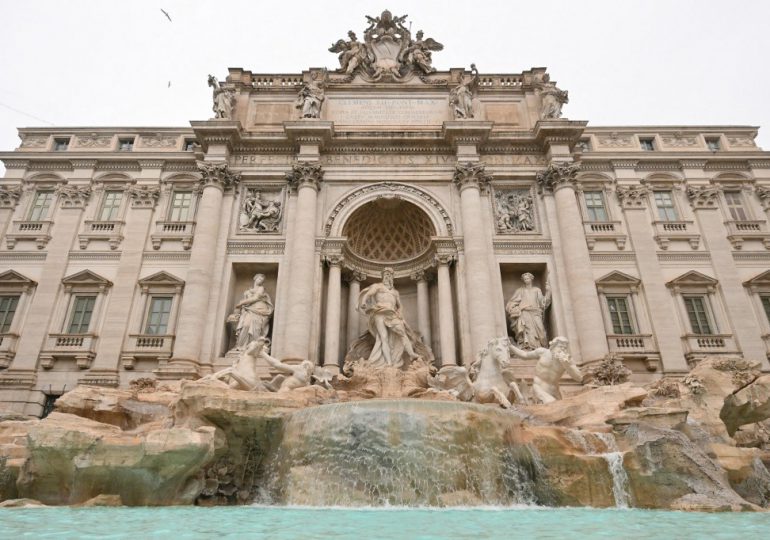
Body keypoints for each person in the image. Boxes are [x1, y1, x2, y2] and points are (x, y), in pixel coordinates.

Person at [357, 267, 419, 368]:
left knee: (402, 333)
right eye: (385, 275)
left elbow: (400, 305)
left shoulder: (395, 292)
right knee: (383, 337)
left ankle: (411, 353)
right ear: (382, 276)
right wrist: (363, 301)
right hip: (379, 312)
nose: (387, 277)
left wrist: (400, 313)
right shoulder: (378, 286)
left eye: (389, 275)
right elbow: (369, 294)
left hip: (392, 314)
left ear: (392, 277)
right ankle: (389, 363)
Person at [509, 337, 582, 403]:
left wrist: (568, 365)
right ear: (553, 346)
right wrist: (510, 346)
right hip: (539, 387)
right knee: (552, 404)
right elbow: (524, 355)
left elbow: (579, 378)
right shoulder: (542, 352)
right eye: (560, 347)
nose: (562, 350)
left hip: (554, 391)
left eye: (565, 348)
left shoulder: (568, 360)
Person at [505, 273, 551, 349]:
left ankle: (541, 347)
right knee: (528, 331)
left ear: (531, 279)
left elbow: (543, 303)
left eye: (528, 278)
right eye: (525, 279)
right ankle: (529, 348)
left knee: (541, 331)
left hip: (536, 313)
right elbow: (512, 302)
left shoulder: (537, 290)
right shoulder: (520, 291)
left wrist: (548, 292)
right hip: (525, 313)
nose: (526, 280)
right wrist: (513, 308)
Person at [232, 274, 273, 349]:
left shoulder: (261, 288)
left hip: (260, 310)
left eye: (262, 280)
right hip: (249, 310)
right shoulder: (247, 291)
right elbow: (244, 305)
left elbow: (255, 298)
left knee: (256, 329)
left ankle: (254, 347)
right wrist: (240, 310)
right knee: (246, 325)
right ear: (255, 278)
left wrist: (241, 303)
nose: (260, 281)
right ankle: (241, 346)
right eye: (259, 279)